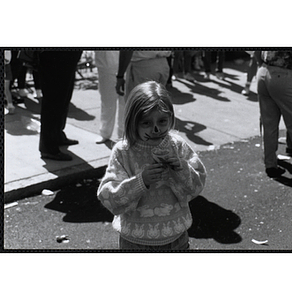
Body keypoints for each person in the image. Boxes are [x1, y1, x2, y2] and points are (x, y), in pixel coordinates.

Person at [97, 81, 206, 250]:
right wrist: (141, 182)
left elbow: (196, 186)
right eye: (146, 123)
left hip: (176, 237)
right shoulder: (124, 151)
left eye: (162, 121)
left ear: (171, 117)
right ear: (133, 122)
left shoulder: (176, 145)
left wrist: (181, 168)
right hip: (135, 241)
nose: (156, 129)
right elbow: (109, 198)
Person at [255, 50, 292, 178]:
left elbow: (256, 52)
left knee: (268, 124)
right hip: (284, 75)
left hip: (264, 71)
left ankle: (270, 165)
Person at [38, 50, 82, 161]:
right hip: (55, 55)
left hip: (65, 56)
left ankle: (57, 135)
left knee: (63, 98)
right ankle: (48, 147)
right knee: (54, 99)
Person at [94, 51, 125, 144]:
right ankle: (104, 133)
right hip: (105, 66)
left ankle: (123, 135)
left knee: (124, 102)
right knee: (106, 101)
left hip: (124, 65)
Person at [4, 50, 15, 114]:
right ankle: (10, 106)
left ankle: (10, 106)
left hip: (5, 66)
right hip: (7, 66)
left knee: (6, 89)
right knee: (6, 89)